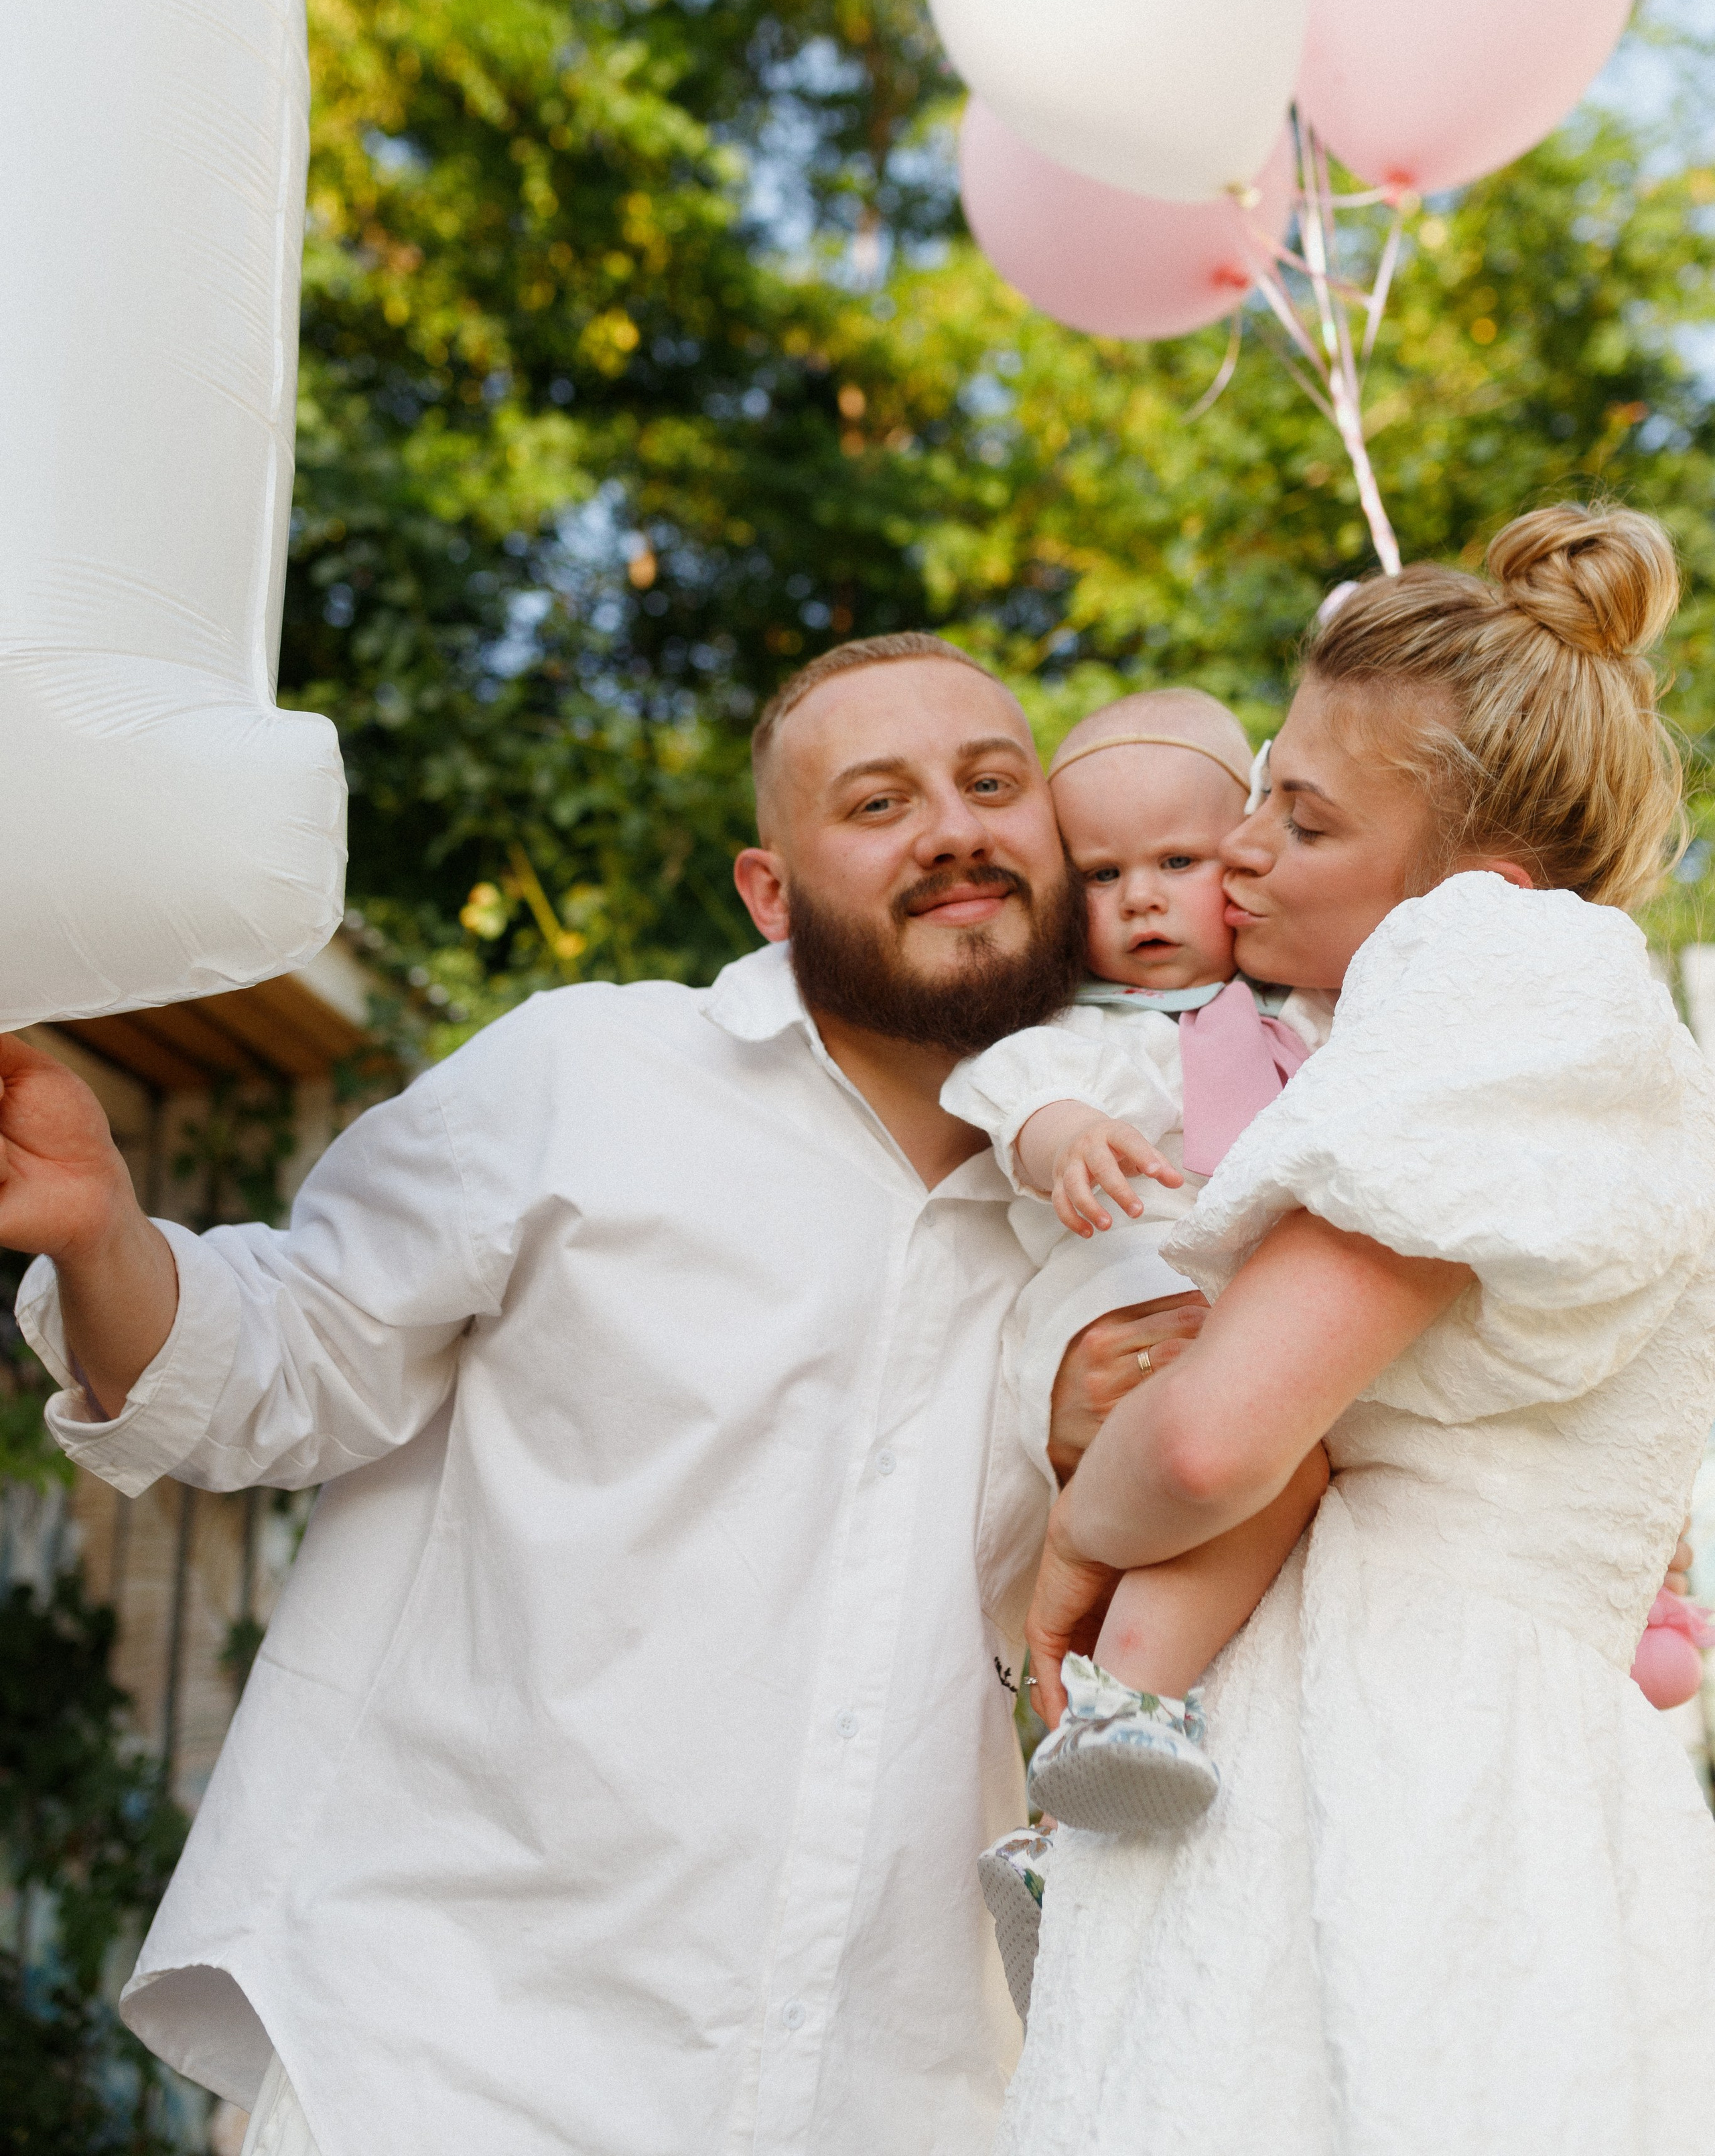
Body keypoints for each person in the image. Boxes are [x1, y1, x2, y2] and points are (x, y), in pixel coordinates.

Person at [0, 632, 1198, 2156]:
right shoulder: (586, 1076)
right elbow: (281, 1359)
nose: (953, 829)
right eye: (878, 802)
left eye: (989, 783)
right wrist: (102, 1225)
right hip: (464, 2054)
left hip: (906, 2085)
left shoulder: (1155, 1211)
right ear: (769, 892)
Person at [1001, 504, 1715, 2156]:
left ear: (1470, 883)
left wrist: (1072, 1551)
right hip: (1466, 1760)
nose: (1237, 846)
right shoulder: (1496, 1030)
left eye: (1302, 822)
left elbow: (1206, 1436)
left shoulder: (1504, 963)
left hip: (1403, 1766)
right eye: (1257, 783)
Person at [939, 689, 1333, 2008]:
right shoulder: (1090, 1039)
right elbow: (1019, 1100)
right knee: (1233, 1463)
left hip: (1234, 1339)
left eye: (1178, 862)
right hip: (1119, 1304)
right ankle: (1107, 1743)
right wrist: (1064, 1143)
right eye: (1100, 874)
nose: (1140, 900)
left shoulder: (1304, 1035)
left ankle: (1068, 1854)